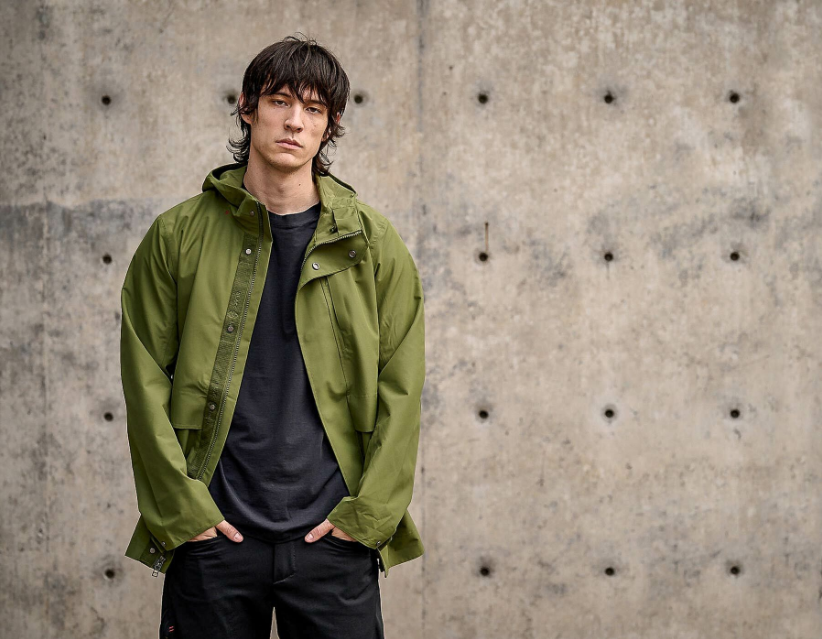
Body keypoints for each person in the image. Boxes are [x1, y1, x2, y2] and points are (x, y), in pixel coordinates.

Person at [119, 34, 426, 639]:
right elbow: (144, 379)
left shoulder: (372, 243)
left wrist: (366, 519)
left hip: (333, 541)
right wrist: (186, 516)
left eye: (313, 110)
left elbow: (402, 388)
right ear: (246, 106)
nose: (294, 121)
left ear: (330, 125)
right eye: (280, 100)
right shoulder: (177, 236)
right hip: (214, 541)